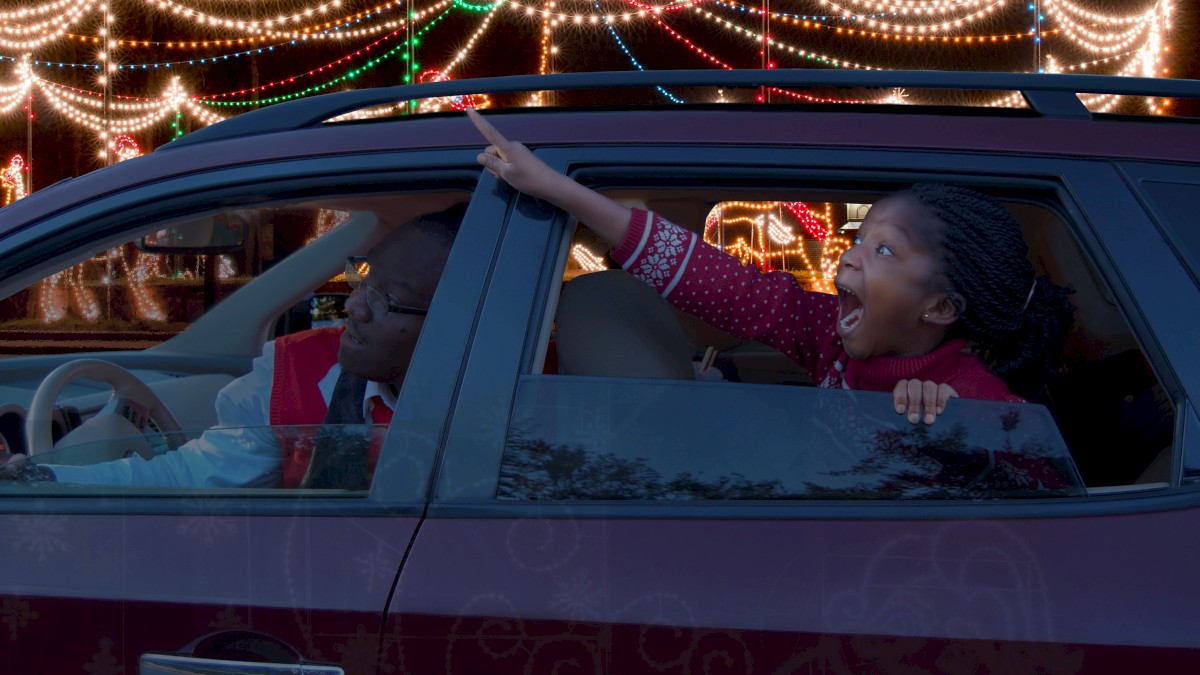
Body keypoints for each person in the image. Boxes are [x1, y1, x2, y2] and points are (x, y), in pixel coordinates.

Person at [467, 109, 1074, 424]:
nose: (852, 253)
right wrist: (560, 190)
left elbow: (1038, 508)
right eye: (859, 239)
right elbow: (717, 280)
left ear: (940, 307)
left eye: (884, 250)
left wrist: (952, 440)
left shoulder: (972, 400)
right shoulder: (825, 335)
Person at [2, 205, 462, 487]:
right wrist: (40, 477)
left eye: (389, 299)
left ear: (460, 325)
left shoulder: (509, 407)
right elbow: (191, 474)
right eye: (363, 278)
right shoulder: (295, 369)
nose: (353, 308)